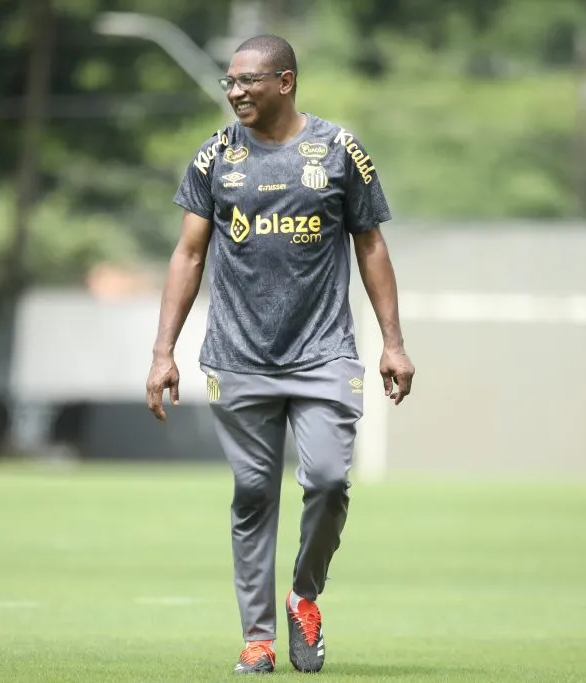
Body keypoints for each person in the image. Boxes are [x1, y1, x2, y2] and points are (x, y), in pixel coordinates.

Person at [145, 34, 415, 675]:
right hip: (238, 356)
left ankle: (304, 596)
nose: (235, 91)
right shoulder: (214, 158)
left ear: (285, 82)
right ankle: (258, 638)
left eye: (248, 80)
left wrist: (394, 343)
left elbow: (370, 247)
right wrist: (163, 352)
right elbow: (188, 253)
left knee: (326, 480)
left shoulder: (339, 150)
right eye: (229, 82)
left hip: (325, 352)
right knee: (253, 490)